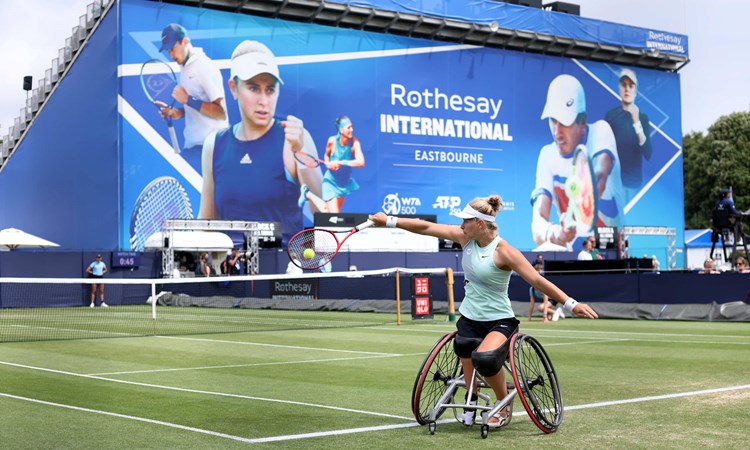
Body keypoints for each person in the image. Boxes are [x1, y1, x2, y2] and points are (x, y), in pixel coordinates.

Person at [368, 195, 597, 429]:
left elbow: (537, 281)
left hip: (499, 321)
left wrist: (571, 304)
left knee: (485, 358)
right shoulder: (465, 238)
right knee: (463, 346)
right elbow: (426, 227)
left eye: (466, 221)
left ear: (480, 223)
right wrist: (389, 220)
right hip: (469, 317)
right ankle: (472, 397)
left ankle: (502, 402)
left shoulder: (504, 251)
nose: (460, 225)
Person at [197, 40, 324, 244]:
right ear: (233, 88)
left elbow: (323, 213)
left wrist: (301, 153)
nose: (264, 100)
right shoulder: (215, 145)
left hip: (283, 271)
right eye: (254, 88)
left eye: (270, 89)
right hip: (231, 272)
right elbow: (206, 225)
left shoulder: (293, 139)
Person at [531, 74, 624, 248]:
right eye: (553, 120)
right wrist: (556, 233)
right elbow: (537, 225)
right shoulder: (547, 155)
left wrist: (573, 214)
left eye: (565, 122)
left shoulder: (601, 131)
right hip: (578, 257)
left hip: (612, 250)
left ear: (582, 122)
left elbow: (598, 178)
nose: (557, 132)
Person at [158, 24, 229, 173]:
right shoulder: (184, 67)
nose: (171, 54)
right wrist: (176, 113)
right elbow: (195, 105)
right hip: (193, 149)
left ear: (184, 42)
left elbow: (220, 112)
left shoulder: (204, 66)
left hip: (212, 150)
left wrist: (188, 100)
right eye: (168, 50)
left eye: (172, 48)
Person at [604, 69, 653, 203]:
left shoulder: (642, 119)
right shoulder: (611, 116)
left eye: (631, 86)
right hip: (613, 185)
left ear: (636, 90)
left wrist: (636, 120)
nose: (627, 89)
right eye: (624, 85)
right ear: (619, 88)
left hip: (633, 186)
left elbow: (648, 153)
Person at [316, 116, 365, 213]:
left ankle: (307, 194)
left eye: (352, 127)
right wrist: (328, 165)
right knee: (335, 216)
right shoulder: (332, 141)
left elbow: (361, 162)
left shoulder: (355, 142)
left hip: (343, 183)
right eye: (348, 127)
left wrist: (341, 162)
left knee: (327, 213)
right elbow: (326, 156)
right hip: (330, 181)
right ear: (341, 130)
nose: (352, 129)